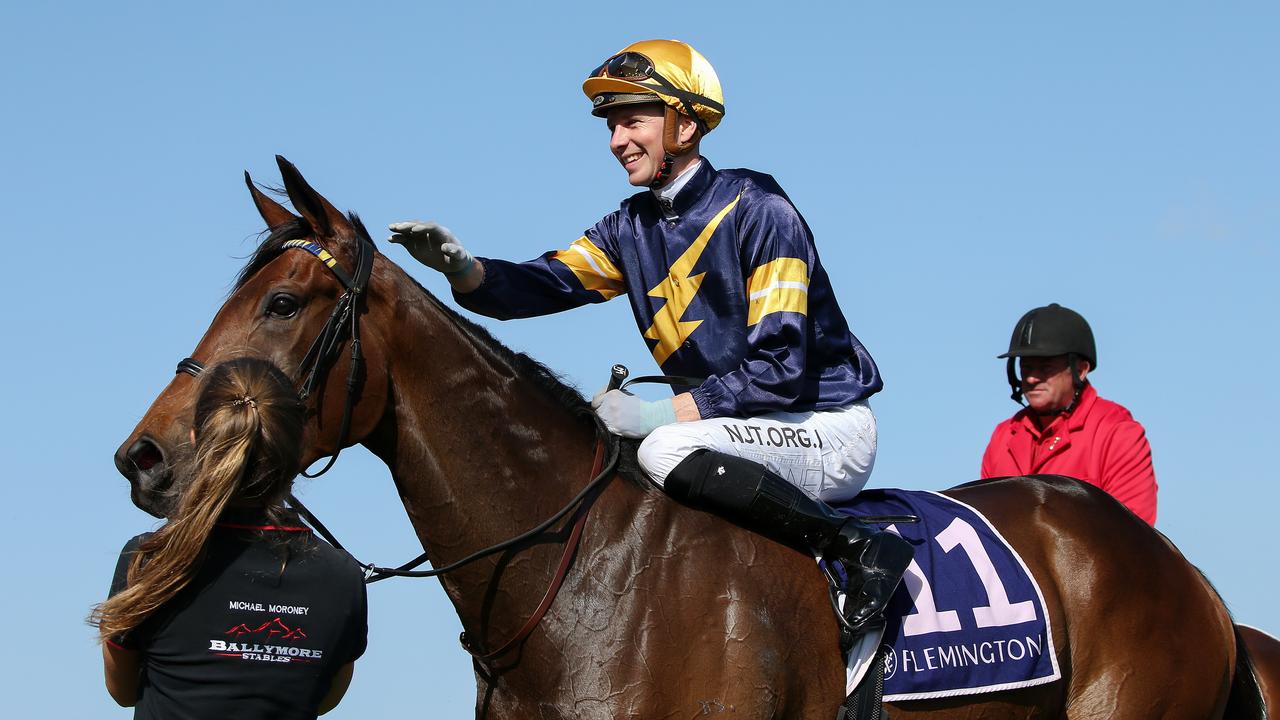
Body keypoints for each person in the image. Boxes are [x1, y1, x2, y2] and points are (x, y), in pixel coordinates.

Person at [388, 39, 912, 636]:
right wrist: (463, 267)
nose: (616, 141)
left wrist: (658, 414)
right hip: (733, 427)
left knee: (660, 449)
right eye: (611, 125)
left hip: (822, 425)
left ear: (684, 124)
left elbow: (781, 368)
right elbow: (544, 283)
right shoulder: (627, 228)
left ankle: (858, 547)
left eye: (633, 120)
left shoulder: (761, 209)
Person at [91, 358, 368, 719]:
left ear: (194, 439)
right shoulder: (342, 577)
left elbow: (122, 691)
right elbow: (325, 696)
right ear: (301, 441)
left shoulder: (150, 560)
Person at [980, 303, 1158, 525]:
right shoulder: (1003, 436)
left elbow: (1131, 531)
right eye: (1026, 368)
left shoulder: (1118, 432)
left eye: (1045, 368)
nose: (1032, 378)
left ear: (1081, 370)